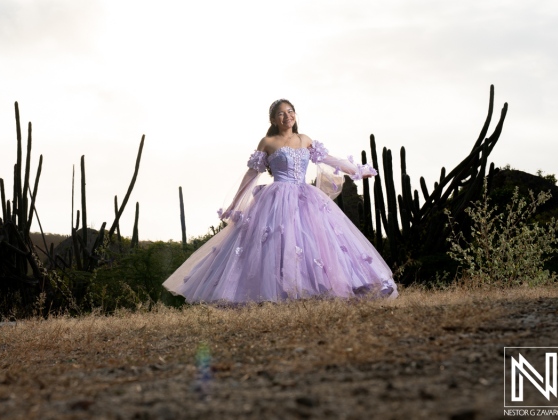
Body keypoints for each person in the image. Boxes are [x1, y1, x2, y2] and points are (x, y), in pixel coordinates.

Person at [163, 99, 398, 303]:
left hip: (305, 198)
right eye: (281, 113)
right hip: (275, 200)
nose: (288, 116)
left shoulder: (304, 139)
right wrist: (235, 204)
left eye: (290, 111)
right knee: (275, 244)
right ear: (274, 119)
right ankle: (279, 294)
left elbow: (329, 159)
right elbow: (252, 173)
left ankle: (332, 289)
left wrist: (356, 170)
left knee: (315, 244)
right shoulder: (268, 142)